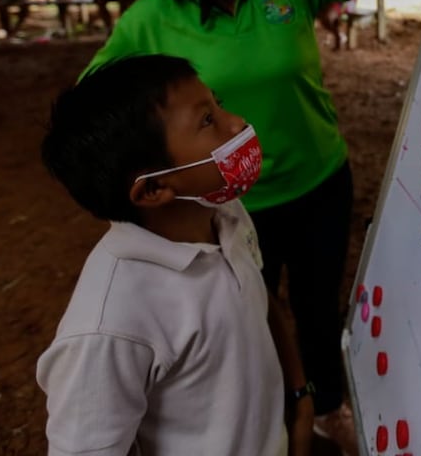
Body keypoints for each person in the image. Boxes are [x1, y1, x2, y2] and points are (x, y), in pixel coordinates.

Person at [82, 0, 421, 455]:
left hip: (321, 180)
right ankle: (277, 415)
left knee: (319, 304)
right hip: (226, 207)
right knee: (248, 315)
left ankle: (326, 407)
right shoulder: (150, 18)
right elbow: (94, 107)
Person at [37, 54, 314, 456]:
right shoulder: (109, 325)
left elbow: (257, 296)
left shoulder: (223, 212)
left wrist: (299, 395)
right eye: (207, 121)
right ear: (152, 190)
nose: (236, 123)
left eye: (216, 103)